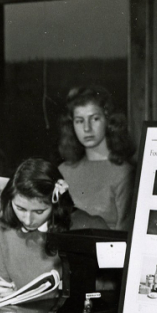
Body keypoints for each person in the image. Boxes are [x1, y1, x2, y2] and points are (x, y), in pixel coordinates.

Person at [0, 158, 106, 308]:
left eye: (39, 211)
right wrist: (0, 295)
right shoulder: (6, 229)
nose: (28, 220)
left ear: (55, 204)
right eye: (20, 208)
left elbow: (111, 289)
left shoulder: (88, 226)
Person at [57, 85, 136, 231]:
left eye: (94, 119)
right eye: (79, 121)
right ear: (71, 125)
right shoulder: (62, 171)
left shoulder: (125, 173)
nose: (87, 128)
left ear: (109, 120)